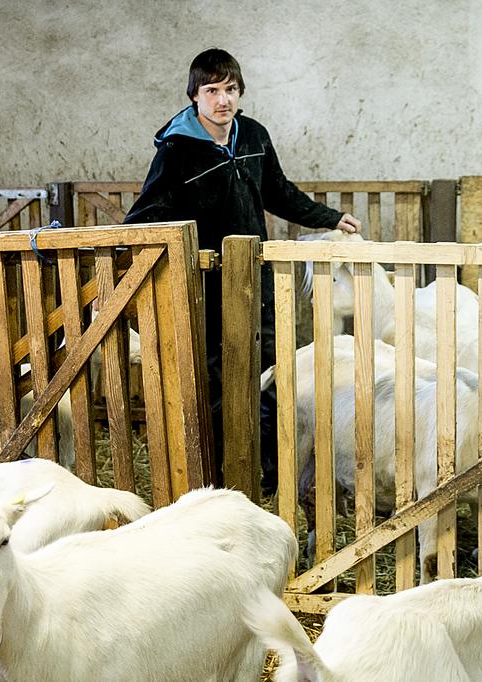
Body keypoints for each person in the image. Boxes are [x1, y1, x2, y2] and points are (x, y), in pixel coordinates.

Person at [125, 48, 361, 495]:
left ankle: (272, 475)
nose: (222, 100)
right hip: (208, 288)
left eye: (230, 90)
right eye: (212, 91)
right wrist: (117, 250)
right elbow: (149, 210)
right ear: (194, 96)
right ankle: (217, 482)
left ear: (240, 93)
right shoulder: (176, 150)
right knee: (214, 380)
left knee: (271, 372)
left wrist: (327, 218)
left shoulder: (253, 135)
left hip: (257, 283)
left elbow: (278, 192)